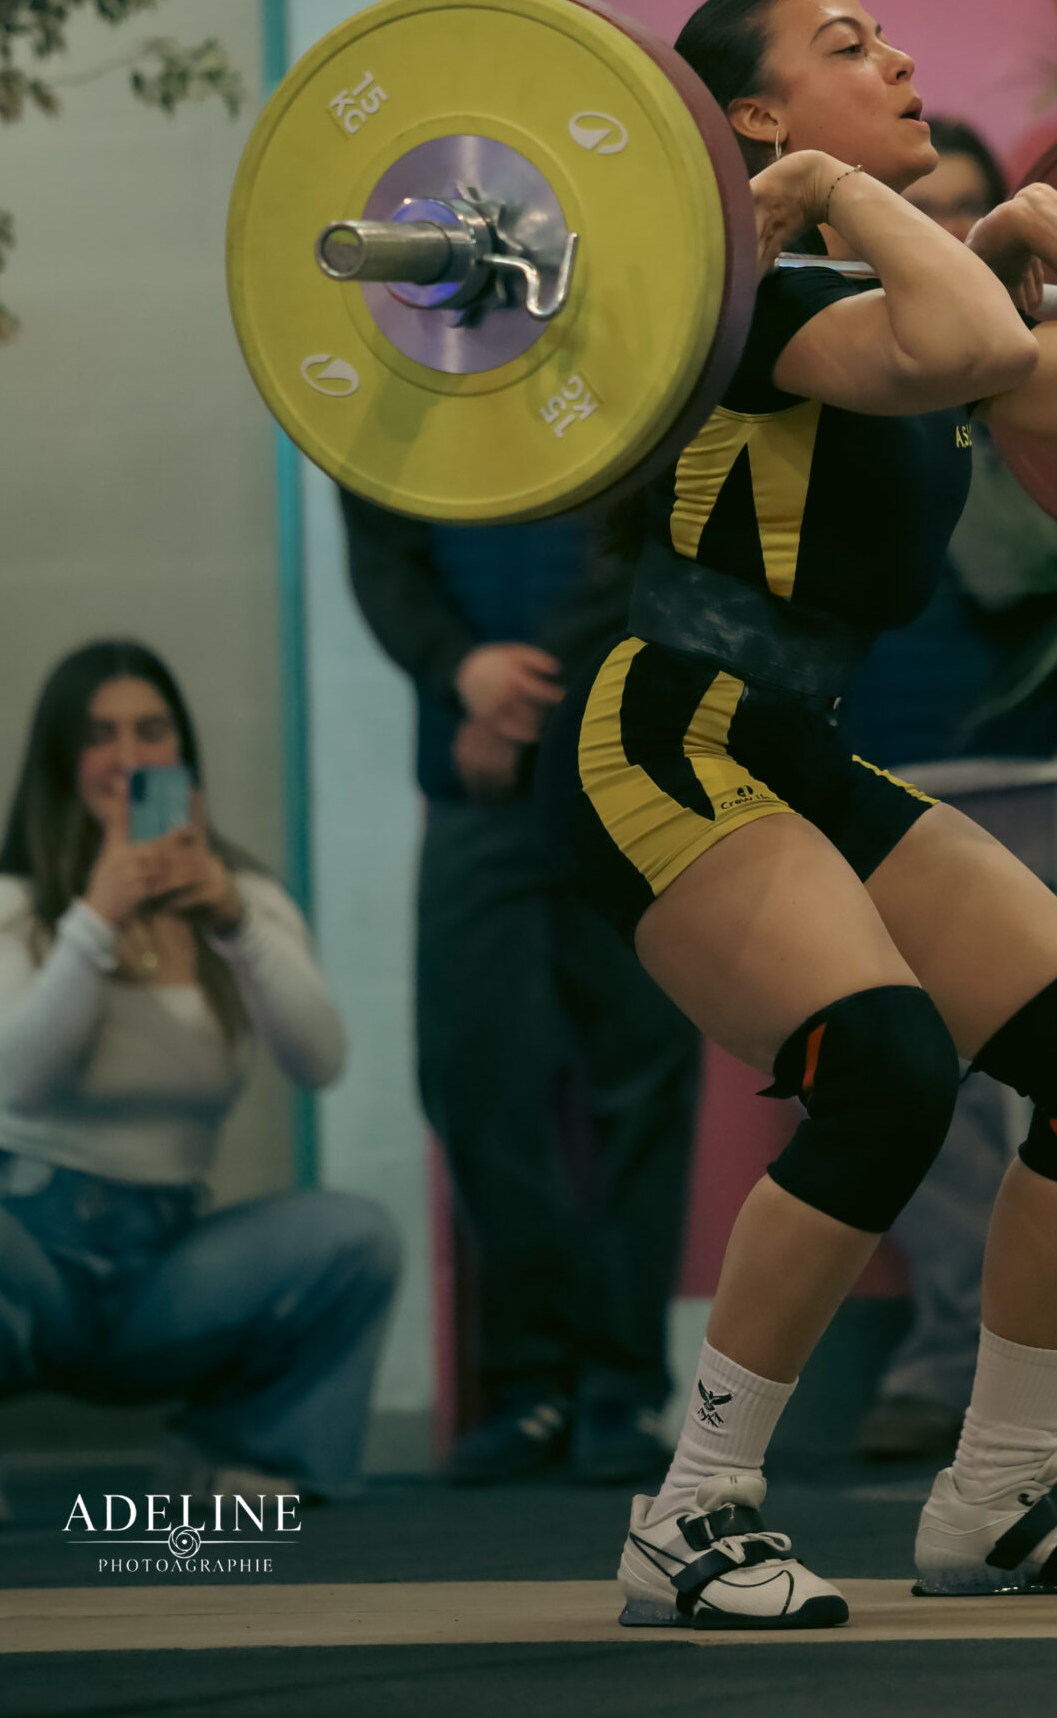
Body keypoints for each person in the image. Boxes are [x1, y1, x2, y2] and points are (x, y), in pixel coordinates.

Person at [536, 0, 1057, 1628]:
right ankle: (690, 1510)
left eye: (886, 39)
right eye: (846, 48)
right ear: (752, 118)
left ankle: (999, 1495)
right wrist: (849, 196)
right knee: (879, 1070)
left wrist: (1042, 215)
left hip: (796, 750)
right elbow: (967, 339)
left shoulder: (918, 311)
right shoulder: (751, 306)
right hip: (661, 736)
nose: (899, 59)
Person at [0, 642, 401, 1526]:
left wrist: (233, 922)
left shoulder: (245, 902)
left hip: (163, 1261)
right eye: (100, 735)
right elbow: (17, 1082)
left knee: (357, 1237)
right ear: (62, 759)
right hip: (23, 1253)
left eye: (152, 731)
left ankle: (248, 1454)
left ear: (184, 755)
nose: (128, 757)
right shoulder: (0, 907)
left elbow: (320, 1062)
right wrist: (95, 919)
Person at [336, 497, 700, 1486]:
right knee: (474, 1076)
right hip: (476, 779)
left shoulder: (637, 389)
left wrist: (520, 696)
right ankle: (530, 1379)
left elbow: (664, 540)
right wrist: (463, 669)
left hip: (628, 763)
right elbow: (383, 561)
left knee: (644, 1080)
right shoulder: (391, 408)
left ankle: (622, 1383)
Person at [841, 116, 1057, 1465]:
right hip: (857, 776)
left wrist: (974, 380)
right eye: (916, 210)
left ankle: (1028, 1370)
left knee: (1051, 1079)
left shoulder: (1025, 382)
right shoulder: (831, 364)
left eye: (965, 214)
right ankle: (959, 1356)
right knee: (899, 1083)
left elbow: (1023, 568)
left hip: (1010, 771)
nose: (938, 235)